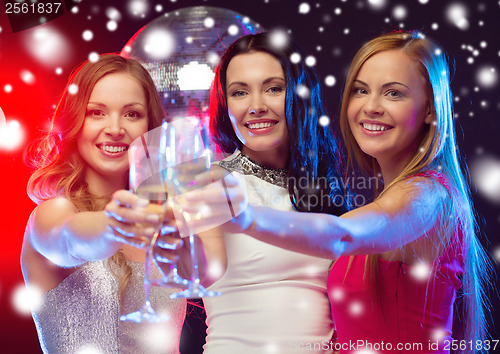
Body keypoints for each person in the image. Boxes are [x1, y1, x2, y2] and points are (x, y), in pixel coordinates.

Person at [187, 31, 492, 353]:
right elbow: (149, 188)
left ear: (431, 109)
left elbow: (341, 235)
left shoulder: (428, 195)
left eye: (393, 94)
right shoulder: (205, 176)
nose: (372, 107)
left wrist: (245, 216)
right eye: (361, 91)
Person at [21, 54, 186, 353]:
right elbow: (72, 239)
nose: (115, 128)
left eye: (132, 114)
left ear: (150, 127)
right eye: (97, 112)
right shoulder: (53, 212)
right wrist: (117, 224)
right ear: (75, 121)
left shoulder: (163, 219)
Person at [201, 31, 350, 353]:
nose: (256, 106)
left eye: (273, 88)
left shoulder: (326, 184)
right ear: (225, 106)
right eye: (239, 93)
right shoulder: (206, 180)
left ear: (299, 94)